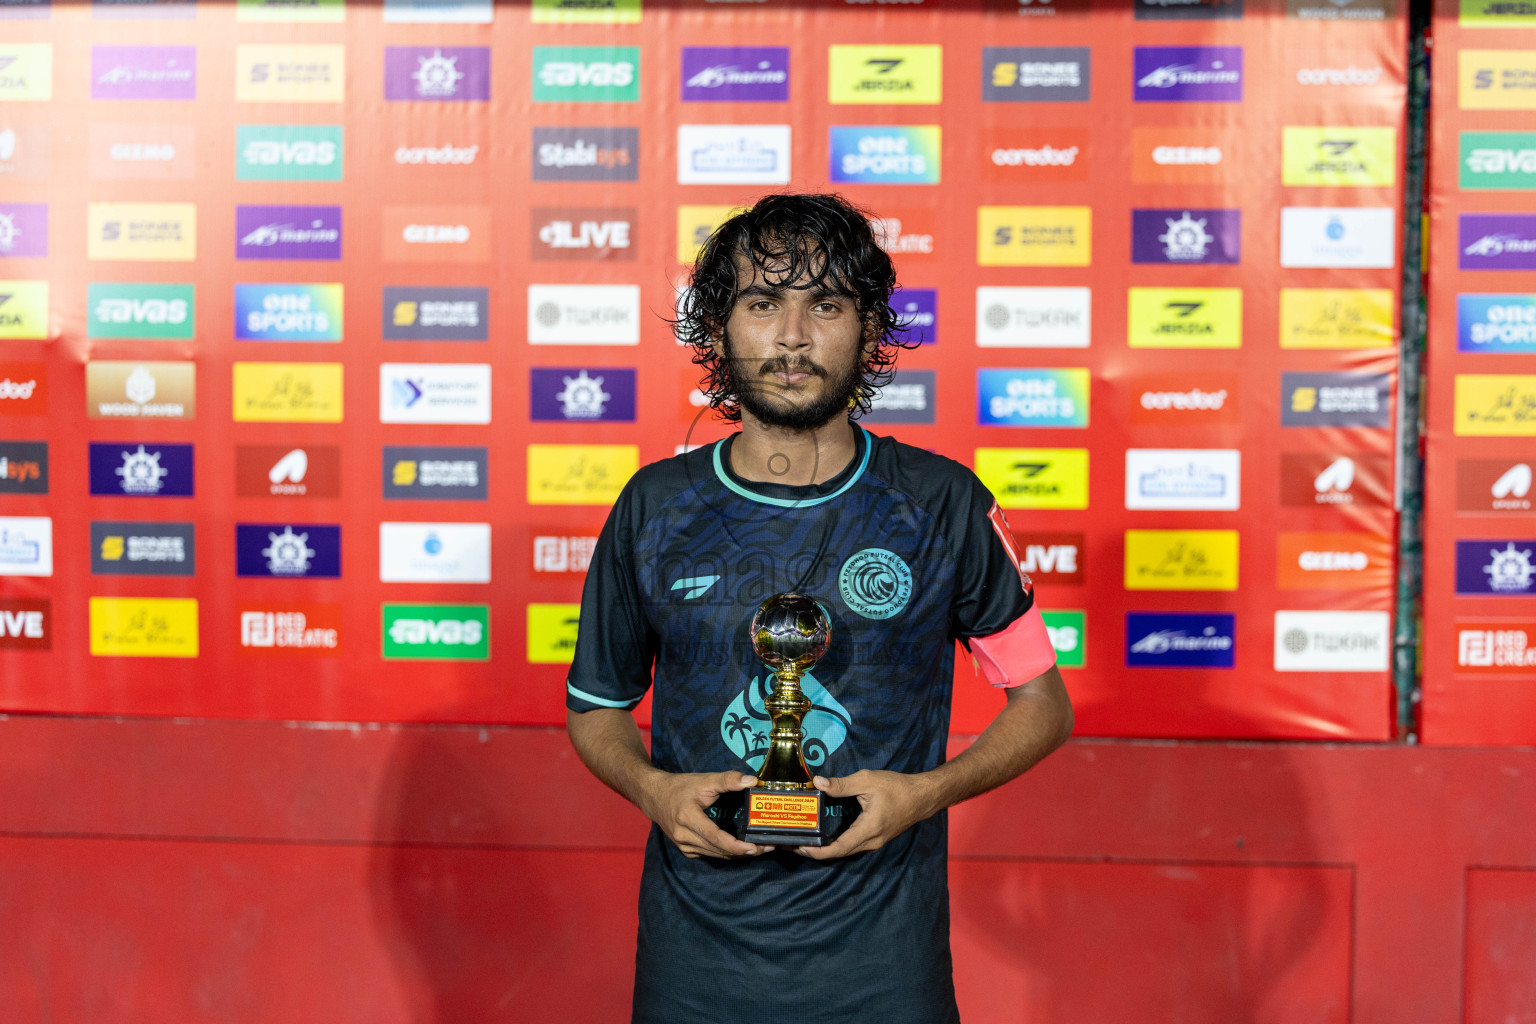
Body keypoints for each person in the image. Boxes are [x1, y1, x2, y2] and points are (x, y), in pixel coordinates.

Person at [564, 192, 1074, 1024]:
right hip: (695, 973)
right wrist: (655, 791)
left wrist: (925, 793)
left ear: (869, 332)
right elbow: (597, 711)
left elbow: (1043, 707)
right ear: (720, 328)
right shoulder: (655, 506)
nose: (793, 336)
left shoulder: (941, 504)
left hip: (884, 973)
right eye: (763, 303)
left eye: (825, 305)